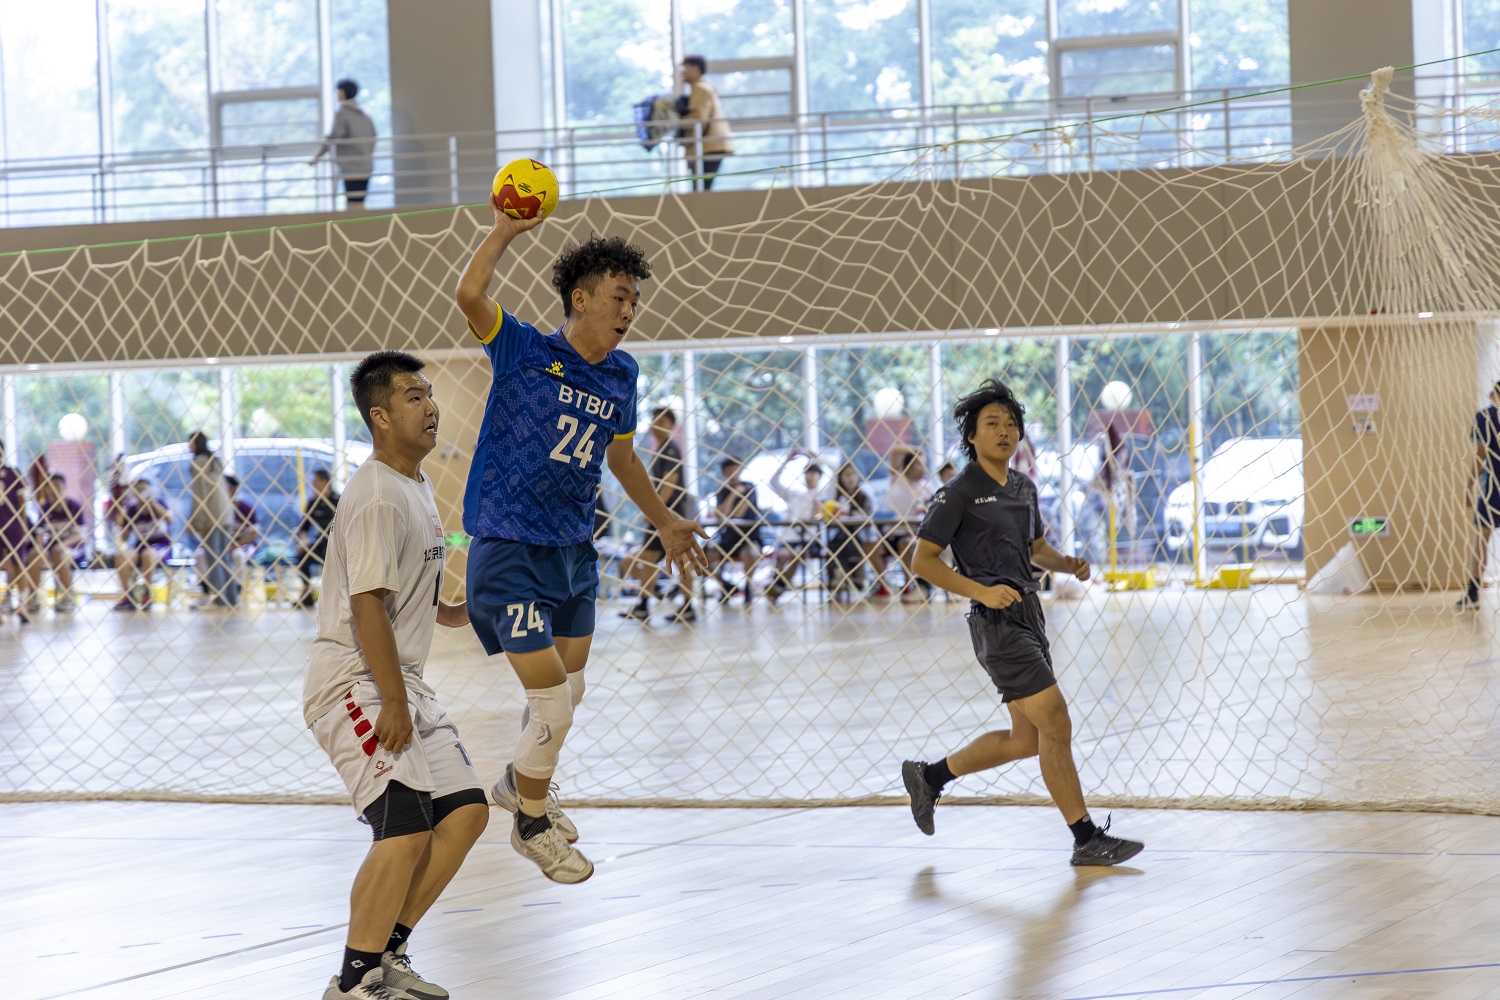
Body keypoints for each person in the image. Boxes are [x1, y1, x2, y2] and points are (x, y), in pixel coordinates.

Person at [454, 204, 708, 883]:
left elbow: (621, 458)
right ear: (581, 299)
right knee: (551, 703)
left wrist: (664, 520)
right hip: (510, 548)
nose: (629, 310)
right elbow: (470, 295)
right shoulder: (524, 350)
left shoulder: (621, 374)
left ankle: (519, 781)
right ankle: (531, 823)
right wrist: (505, 231)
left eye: (634, 301)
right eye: (618, 297)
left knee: (571, 688)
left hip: (573, 551)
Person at [304, 351, 488, 1000]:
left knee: (465, 812)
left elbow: (403, 590)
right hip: (354, 682)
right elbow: (367, 606)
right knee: (404, 823)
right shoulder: (378, 493)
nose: (432, 406)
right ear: (380, 417)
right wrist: (392, 701)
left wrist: (453, 611)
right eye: (415, 397)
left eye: (431, 394)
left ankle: (387, 953)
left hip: (400, 681)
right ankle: (354, 983)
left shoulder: (416, 484)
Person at [900, 378, 1143, 867]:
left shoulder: (1024, 487)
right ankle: (1085, 838)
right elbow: (921, 561)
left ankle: (929, 777)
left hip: (1030, 614)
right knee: (1055, 718)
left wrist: (1065, 563)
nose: (1004, 431)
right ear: (972, 436)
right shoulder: (958, 493)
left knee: (1026, 739)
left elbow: (1036, 549)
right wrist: (981, 591)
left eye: (1011, 424)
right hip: (995, 621)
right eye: (992, 423)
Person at [619, 407, 696, 623]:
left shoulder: (669, 449)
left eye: (662, 421)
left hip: (669, 515)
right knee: (650, 558)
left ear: (672, 426)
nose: (656, 425)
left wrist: (656, 511)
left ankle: (683, 605)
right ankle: (648, 604)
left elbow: (671, 481)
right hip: (665, 515)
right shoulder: (661, 449)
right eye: (654, 420)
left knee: (675, 559)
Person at [765, 449, 826, 604]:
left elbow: (835, 473)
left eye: (814, 473)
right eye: (807, 473)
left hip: (810, 539)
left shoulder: (823, 494)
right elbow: (773, 482)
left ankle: (777, 587)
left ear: (819, 476)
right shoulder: (794, 494)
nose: (810, 476)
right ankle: (777, 586)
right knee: (782, 556)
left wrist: (818, 459)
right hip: (790, 537)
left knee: (797, 555)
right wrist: (785, 462)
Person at [187, 430, 239, 609]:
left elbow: (200, 495)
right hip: (225, 513)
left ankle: (219, 599)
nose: (188, 447)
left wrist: (197, 522)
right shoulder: (214, 461)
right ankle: (232, 598)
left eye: (190, 443)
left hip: (212, 514)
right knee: (223, 558)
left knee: (214, 558)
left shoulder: (198, 463)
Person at [1460, 380, 1500, 609]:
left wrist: (1469, 485)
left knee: (1482, 538)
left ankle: (1473, 592)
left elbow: (1480, 454)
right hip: (1492, 486)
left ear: (1494, 394)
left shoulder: (1484, 417)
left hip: (1492, 488)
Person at [311, 78, 377, 210]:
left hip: (351, 167)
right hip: (366, 164)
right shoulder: (365, 114)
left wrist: (317, 156)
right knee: (359, 201)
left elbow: (333, 136)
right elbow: (373, 137)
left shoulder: (343, 113)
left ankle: (355, 223)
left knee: (353, 202)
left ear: (341, 92)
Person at [707, 456, 764, 606]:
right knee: (703, 557)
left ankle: (748, 587)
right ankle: (726, 585)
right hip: (728, 537)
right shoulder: (722, 491)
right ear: (723, 473)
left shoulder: (749, 488)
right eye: (729, 470)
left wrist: (729, 508)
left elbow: (738, 513)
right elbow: (720, 515)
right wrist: (734, 494)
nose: (732, 473)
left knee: (750, 554)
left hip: (749, 536)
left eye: (735, 469)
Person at [880, 448, 936, 602]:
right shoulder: (898, 479)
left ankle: (910, 586)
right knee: (870, 547)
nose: (922, 468)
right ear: (909, 466)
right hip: (892, 531)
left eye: (924, 464)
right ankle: (883, 586)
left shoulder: (927, 487)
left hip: (913, 533)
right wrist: (917, 450)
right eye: (918, 464)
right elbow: (894, 452)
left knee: (908, 544)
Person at [29, 473, 86, 614]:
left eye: (57, 486)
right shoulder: (44, 508)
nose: (54, 490)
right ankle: (32, 598)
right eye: (50, 487)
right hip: (51, 547)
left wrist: (63, 544)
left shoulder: (74, 506)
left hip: (73, 547)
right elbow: (40, 533)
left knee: (59, 553)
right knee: (34, 554)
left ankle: (67, 596)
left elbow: (79, 535)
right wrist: (40, 548)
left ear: (64, 488)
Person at [113, 478, 172, 611]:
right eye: (137, 489)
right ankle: (128, 596)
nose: (141, 492)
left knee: (148, 554)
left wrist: (151, 503)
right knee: (121, 556)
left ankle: (146, 593)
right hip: (140, 546)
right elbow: (124, 538)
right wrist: (122, 521)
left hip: (161, 546)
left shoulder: (159, 503)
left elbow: (170, 519)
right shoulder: (132, 510)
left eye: (143, 488)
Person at [678, 55, 734, 192]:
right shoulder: (704, 86)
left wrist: (676, 122)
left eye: (685, 68)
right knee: (701, 188)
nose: (682, 73)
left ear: (695, 69)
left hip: (710, 146)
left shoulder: (700, 88)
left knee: (701, 190)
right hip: (711, 145)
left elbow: (698, 118)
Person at [197, 474, 259, 594]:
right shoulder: (212, 509)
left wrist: (234, 545)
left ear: (234, 489)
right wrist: (214, 545)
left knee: (238, 555)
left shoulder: (245, 508)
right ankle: (207, 587)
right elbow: (202, 531)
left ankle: (237, 589)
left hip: (242, 545)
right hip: (218, 545)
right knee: (200, 555)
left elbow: (253, 533)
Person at [826, 462, 876, 600]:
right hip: (840, 535)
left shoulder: (864, 496)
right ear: (841, 478)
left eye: (853, 474)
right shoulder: (836, 497)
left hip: (860, 536)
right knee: (833, 547)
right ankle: (837, 577)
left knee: (847, 546)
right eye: (847, 474)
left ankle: (843, 577)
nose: (850, 478)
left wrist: (859, 516)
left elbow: (871, 519)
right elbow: (828, 522)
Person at [297, 469, 342, 609]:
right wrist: (304, 542)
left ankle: (338, 595)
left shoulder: (339, 500)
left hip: (338, 543)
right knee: (301, 554)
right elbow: (303, 527)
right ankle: (306, 594)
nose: (313, 484)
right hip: (321, 542)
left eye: (315, 481)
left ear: (324, 482)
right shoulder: (313, 503)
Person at [0, 444, 33, 622]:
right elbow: (22, 502)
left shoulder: (13, 472)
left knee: (18, 565)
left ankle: (19, 604)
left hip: (12, 524)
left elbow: (21, 501)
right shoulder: (13, 472)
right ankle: (18, 604)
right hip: (12, 525)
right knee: (15, 565)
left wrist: (24, 525)